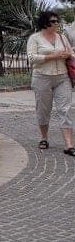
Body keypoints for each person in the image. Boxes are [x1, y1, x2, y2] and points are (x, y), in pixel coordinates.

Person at [27, 10, 75, 154]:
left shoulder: (61, 37)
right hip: (42, 77)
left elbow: (71, 53)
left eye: (56, 21)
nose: (56, 24)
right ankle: (44, 137)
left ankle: (68, 145)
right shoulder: (35, 38)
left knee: (65, 110)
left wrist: (68, 54)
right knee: (43, 110)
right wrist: (52, 56)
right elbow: (31, 58)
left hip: (62, 77)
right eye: (53, 22)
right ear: (45, 23)